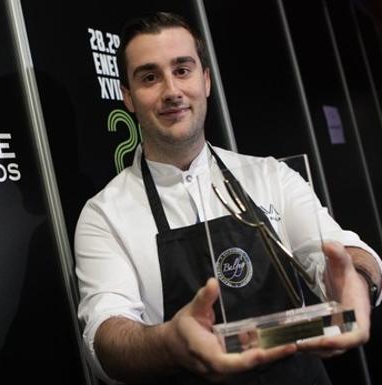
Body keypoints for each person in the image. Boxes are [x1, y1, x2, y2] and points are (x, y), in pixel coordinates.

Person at [74, 12, 382, 385]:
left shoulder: (271, 176)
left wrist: (357, 283)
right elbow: (104, 338)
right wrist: (171, 342)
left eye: (183, 70)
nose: (171, 90)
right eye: (150, 77)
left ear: (206, 81)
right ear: (128, 97)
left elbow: (348, 252)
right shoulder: (104, 215)